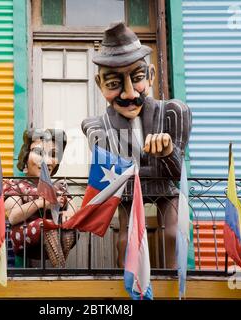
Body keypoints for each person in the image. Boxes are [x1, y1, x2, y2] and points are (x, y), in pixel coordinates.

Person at [81, 22, 192, 268]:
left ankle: (173, 284)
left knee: (172, 235)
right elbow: (115, 175)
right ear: (99, 84)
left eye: (138, 78)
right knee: (126, 240)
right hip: (128, 194)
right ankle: (128, 284)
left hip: (165, 190)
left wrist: (168, 153)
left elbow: (176, 174)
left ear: (151, 75)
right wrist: (152, 167)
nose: (130, 93)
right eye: (113, 84)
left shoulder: (173, 113)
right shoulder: (97, 126)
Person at [4, 128, 76, 268]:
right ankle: (60, 270)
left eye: (53, 154)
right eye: (38, 153)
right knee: (46, 224)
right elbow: (13, 216)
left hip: (53, 232)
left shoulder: (59, 187)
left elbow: (73, 206)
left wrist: (69, 213)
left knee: (68, 227)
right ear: (26, 156)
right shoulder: (15, 185)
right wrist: (41, 203)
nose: (47, 161)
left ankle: (60, 267)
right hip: (24, 235)